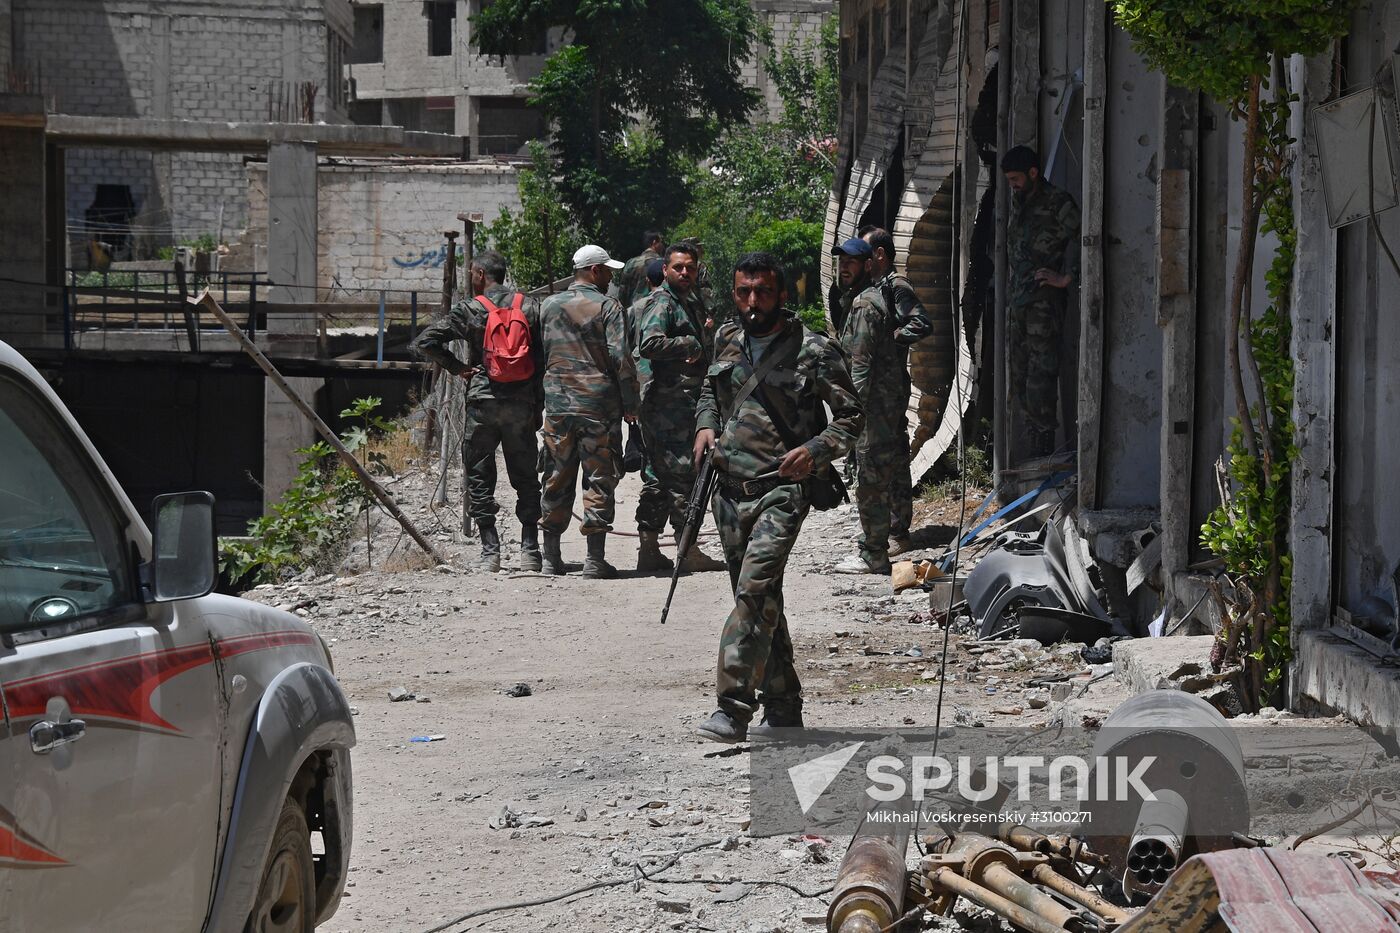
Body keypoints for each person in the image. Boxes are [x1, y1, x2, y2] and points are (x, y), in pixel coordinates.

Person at [692, 252, 864, 743]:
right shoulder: (727, 337)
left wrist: (815, 450)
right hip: (728, 491)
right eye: (744, 291)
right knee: (761, 600)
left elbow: (852, 417)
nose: (752, 302)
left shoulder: (813, 350)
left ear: (782, 294)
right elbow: (711, 390)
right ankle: (785, 708)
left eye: (762, 292)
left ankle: (733, 707)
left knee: (754, 590)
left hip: (783, 492)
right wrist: (706, 425)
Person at [411, 249, 543, 573]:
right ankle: (530, 549)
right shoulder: (528, 306)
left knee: (480, 475)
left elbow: (426, 341)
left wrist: (458, 368)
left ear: (481, 275)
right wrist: (535, 401)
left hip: (483, 403)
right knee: (526, 476)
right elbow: (542, 357)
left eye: (472, 274)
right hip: (521, 405)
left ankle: (490, 551)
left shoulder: (470, 309)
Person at [536, 244, 641, 578]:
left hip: (558, 405)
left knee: (555, 474)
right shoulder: (608, 306)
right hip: (598, 405)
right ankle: (594, 560)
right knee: (599, 476)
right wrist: (631, 403)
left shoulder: (548, 305)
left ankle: (551, 558)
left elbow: (544, 352)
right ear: (595, 271)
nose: (611, 276)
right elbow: (621, 357)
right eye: (608, 270)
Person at [633, 243, 727, 573]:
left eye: (690, 267)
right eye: (678, 267)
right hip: (669, 406)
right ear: (666, 270)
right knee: (684, 477)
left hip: (682, 404)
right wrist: (689, 344)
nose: (685, 272)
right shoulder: (664, 301)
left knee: (659, 477)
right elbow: (649, 344)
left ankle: (650, 549)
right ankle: (687, 548)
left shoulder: (689, 302)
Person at [858, 225, 933, 557]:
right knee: (881, 457)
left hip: (889, 391)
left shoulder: (896, 286)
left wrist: (892, 339)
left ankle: (898, 531)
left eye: (865, 253)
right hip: (880, 390)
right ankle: (890, 528)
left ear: (879, 254)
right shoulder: (875, 288)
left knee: (892, 458)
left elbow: (921, 322)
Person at [830, 237, 903, 576]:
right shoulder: (859, 301)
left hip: (872, 408)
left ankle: (873, 553)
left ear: (868, 265)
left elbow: (860, 366)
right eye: (841, 261)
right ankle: (876, 545)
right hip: (878, 406)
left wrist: (850, 415)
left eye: (852, 261)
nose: (844, 267)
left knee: (871, 480)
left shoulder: (864, 306)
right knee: (876, 475)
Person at [1002, 145, 1080, 456]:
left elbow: (1088, 238)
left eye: (1016, 178)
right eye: (1009, 180)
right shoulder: (1020, 203)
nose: (1013, 184)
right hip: (1019, 305)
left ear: (1034, 173)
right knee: (1020, 380)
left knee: (1040, 380)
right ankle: (1034, 450)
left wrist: (1067, 277)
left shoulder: (1058, 203)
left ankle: (1043, 452)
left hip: (1043, 307)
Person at [611, 229, 664, 310]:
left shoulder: (631, 263)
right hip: (655, 310)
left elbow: (623, 291)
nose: (662, 245)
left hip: (633, 310)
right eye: (661, 242)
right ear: (654, 242)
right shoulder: (661, 263)